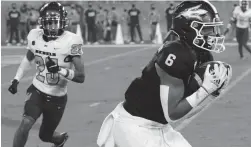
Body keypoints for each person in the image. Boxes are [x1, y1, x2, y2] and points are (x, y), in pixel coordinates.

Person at [97, 1, 232, 147]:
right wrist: (206, 90)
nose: (213, 34)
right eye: (207, 30)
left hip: (160, 125)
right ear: (189, 29)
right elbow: (172, 113)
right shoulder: (175, 54)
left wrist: (211, 94)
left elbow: (185, 111)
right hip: (134, 125)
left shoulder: (203, 56)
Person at [8, 2, 85, 147]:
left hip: (57, 97)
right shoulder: (34, 35)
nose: (52, 26)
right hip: (37, 89)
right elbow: (28, 59)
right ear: (42, 22)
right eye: (49, 22)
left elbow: (81, 76)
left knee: (45, 135)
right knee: (26, 123)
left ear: (62, 21)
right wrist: (16, 79)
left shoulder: (72, 40)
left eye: (55, 22)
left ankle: (60, 139)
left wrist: (59, 70)